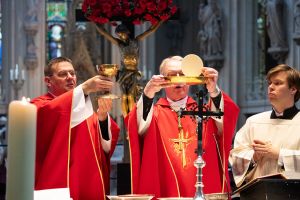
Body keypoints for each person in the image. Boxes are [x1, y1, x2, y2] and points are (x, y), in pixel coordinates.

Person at [125, 56, 239, 197]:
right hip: (166, 188)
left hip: (203, 187)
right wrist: (148, 92)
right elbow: (137, 129)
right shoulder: (153, 114)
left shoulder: (203, 112)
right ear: (162, 81)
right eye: (172, 76)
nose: (178, 80)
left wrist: (214, 90)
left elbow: (225, 123)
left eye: (183, 75)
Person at [31, 57, 120, 200]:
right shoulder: (38, 106)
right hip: (57, 186)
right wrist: (85, 88)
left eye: (72, 73)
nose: (70, 78)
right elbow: (54, 113)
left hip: (87, 182)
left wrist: (102, 118)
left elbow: (105, 147)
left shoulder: (85, 109)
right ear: (48, 81)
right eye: (63, 74)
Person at [230, 64, 300, 188]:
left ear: (293, 89)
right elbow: (236, 157)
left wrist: (279, 154)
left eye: (278, 83)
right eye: (270, 83)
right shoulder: (253, 122)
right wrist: (253, 157)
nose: (271, 87)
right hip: (257, 193)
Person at [96, 22, 163, 116]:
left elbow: (150, 30)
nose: (121, 37)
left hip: (133, 73)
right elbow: (104, 33)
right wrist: (95, 22)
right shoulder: (119, 44)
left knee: (130, 96)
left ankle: (131, 118)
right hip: (123, 73)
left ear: (127, 32)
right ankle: (126, 117)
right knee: (124, 96)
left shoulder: (136, 41)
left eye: (122, 34)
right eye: (119, 35)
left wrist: (161, 20)